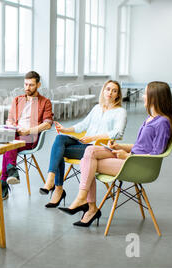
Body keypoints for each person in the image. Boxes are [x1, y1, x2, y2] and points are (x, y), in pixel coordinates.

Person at [59, 81, 172, 227]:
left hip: (138, 165)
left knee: (87, 162)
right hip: (131, 159)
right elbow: (141, 146)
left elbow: (155, 154)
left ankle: (88, 205)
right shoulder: (151, 119)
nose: (142, 96)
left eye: (145, 93)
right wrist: (119, 146)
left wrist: (128, 156)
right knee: (89, 152)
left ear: (155, 97)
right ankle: (86, 203)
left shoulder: (163, 123)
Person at [40, 80, 127, 208]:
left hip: (96, 148)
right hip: (84, 143)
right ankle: (51, 179)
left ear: (118, 95)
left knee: (58, 151)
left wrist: (93, 137)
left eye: (114, 91)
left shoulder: (120, 112)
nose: (110, 93)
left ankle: (57, 188)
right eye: (108, 89)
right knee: (60, 140)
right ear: (103, 91)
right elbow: (83, 125)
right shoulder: (97, 108)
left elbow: (118, 133)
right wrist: (65, 129)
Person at [1, 71, 53, 200]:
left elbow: (47, 124)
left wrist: (29, 131)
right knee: (9, 140)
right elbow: (10, 119)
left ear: (38, 85)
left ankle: (4, 180)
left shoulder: (45, 102)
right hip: (16, 133)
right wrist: (12, 125)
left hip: (30, 136)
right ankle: (12, 171)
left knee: (9, 144)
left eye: (31, 85)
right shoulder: (18, 100)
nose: (27, 88)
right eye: (25, 84)